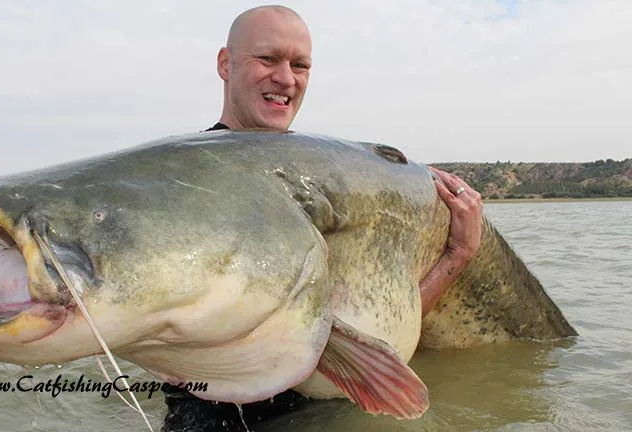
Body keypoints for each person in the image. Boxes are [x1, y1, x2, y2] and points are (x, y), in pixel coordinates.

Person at [162, 5, 483, 431]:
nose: (286, 78)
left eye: (300, 65)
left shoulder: (321, 186)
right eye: (267, 59)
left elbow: (370, 334)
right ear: (226, 63)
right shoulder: (185, 182)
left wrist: (457, 256)